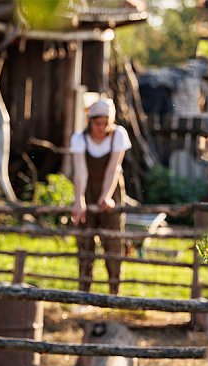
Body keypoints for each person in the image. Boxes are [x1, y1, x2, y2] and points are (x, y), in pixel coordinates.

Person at [70, 98, 131, 295]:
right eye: (98, 123)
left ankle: (114, 293)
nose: (102, 127)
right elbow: (80, 171)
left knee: (112, 241)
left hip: (111, 190)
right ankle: (84, 291)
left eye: (106, 123)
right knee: (85, 241)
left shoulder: (118, 135)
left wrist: (106, 197)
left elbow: (113, 169)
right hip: (87, 189)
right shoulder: (80, 138)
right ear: (90, 121)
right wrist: (79, 199)